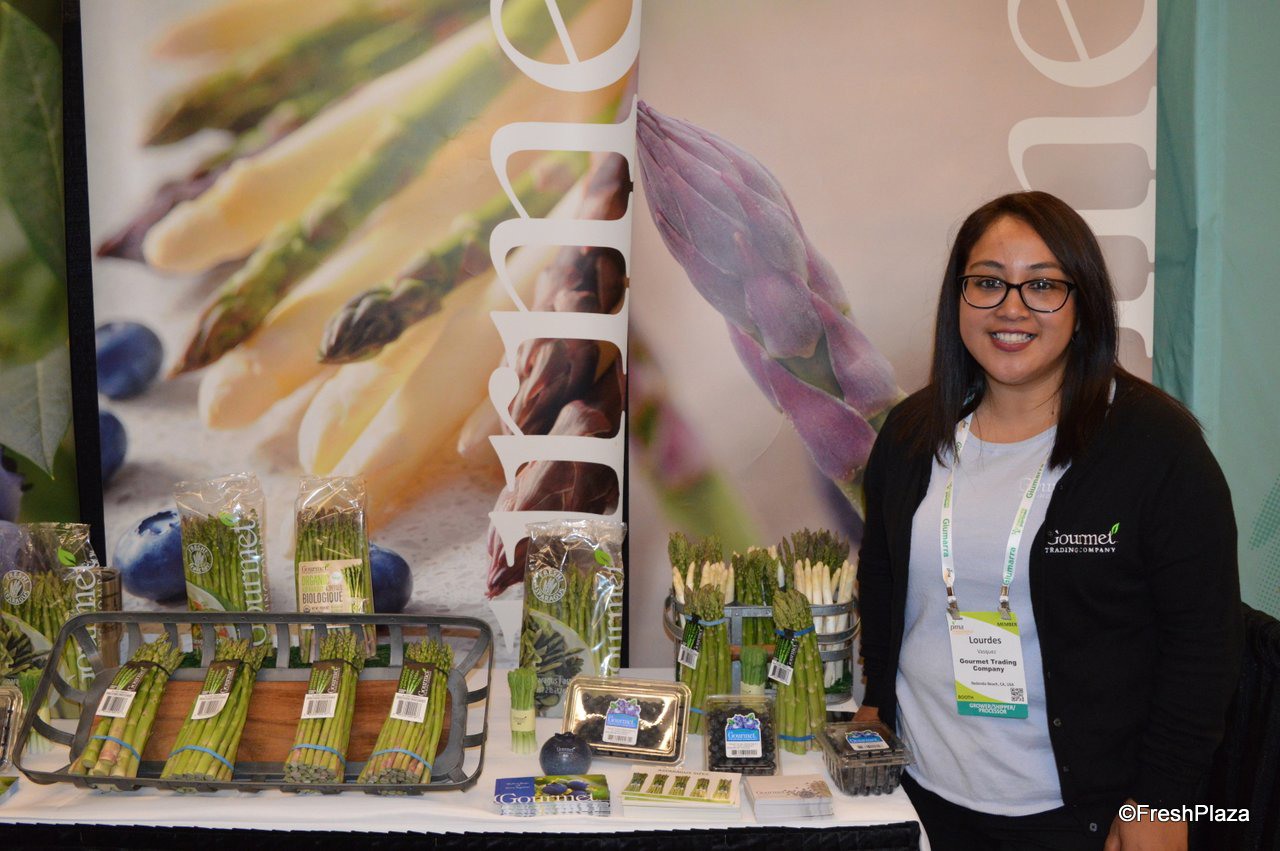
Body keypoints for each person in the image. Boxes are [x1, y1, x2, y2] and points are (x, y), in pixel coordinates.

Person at [854, 191, 1242, 851]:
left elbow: (1202, 644)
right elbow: (884, 573)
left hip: (1078, 814)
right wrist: (876, 703)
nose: (1012, 307)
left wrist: (1161, 803)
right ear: (958, 299)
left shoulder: (1157, 448)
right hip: (918, 794)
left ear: (1082, 303)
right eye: (987, 282)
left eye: (1042, 285)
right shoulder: (913, 433)